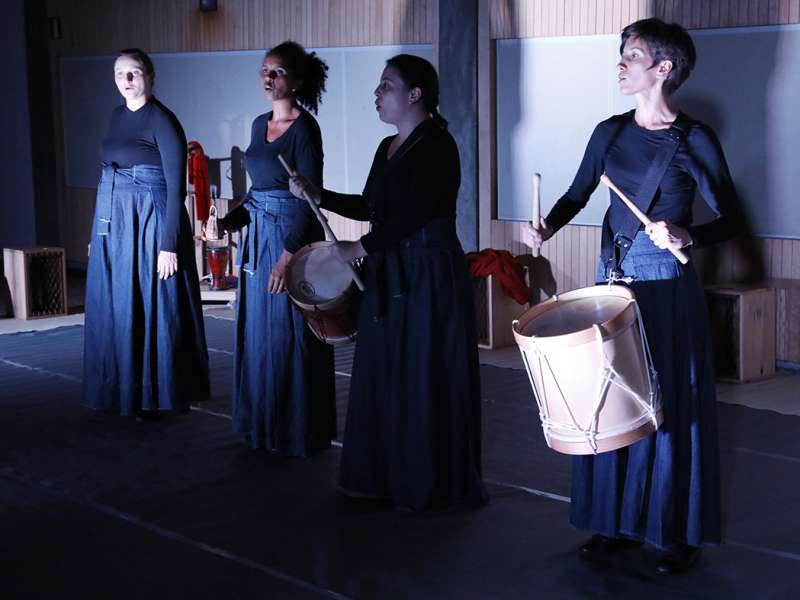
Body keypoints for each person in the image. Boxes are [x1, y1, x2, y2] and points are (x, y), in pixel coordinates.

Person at [522, 18, 743, 574]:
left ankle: (674, 532)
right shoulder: (609, 133)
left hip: (668, 289)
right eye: (621, 53)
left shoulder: (695, 140)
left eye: (633, 54)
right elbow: (577, 192)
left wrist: (688, 234)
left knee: (665, 407)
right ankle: (613, 522)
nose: (620, 63)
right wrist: (547, 224)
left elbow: (732, 219)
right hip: (614, 282)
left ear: (663, 69)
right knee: (611, 404)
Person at [290, 54, 488, 511]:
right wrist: (320, 195)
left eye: (386, 85)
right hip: (391, 268)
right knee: (387, 370)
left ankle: (425, 481)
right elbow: (370, 206)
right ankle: (385, 474)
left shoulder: (439, 146)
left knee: (422, 371)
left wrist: (357, 249)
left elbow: (414, 214)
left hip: (427, 273)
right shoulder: (386, 147)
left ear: (415, 94)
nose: (376, 94)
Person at [213, 41, 335, 456]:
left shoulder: (306, 128)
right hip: (257, 235)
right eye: (264, 70)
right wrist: (231, 220)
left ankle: (297, 430)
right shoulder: (258, 125)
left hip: (289, 236)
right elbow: (257, 191)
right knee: (258, 334)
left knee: (290, 336)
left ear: (296, 80)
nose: (268, 78)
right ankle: (262, 424)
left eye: (277, 71)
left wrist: (287, 256)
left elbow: (308, 199)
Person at [83, 48, 209, 416]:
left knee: (152, 305)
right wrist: (99, 231)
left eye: (134, 73)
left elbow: (176, 187)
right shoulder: (115, 115)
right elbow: (108, 173)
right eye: (120, 73)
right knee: (119, 304)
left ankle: (156, 394)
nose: (127, 80)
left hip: (150, 220)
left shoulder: (163, 120)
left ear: (150, 76)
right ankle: (123, 390)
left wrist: (168, 245)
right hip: (116, 220)